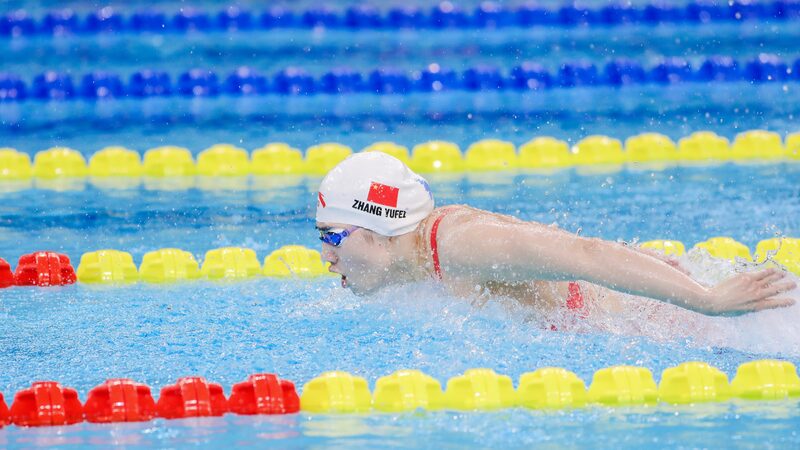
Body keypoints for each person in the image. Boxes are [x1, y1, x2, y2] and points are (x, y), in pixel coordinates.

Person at [315, 152, 796, 319]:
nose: (325, 256)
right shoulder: (418, 254)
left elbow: (586, 254)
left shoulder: (460, 245)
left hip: (668, 317)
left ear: (380, 229)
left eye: (332, 236)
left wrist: (705, 299)